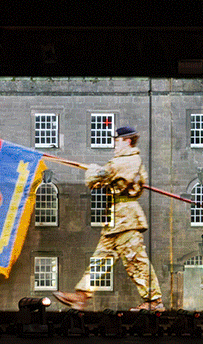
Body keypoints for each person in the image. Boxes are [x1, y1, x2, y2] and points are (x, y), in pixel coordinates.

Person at [55, 126, 164, 312]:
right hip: (116, 219)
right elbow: (101, 180)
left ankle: (154, 301)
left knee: (135, 260)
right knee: (100, 259)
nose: (114, 144)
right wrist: (99, 173)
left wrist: (94, 170)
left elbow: (98, 178)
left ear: (127, 141)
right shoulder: (122, 161)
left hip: (127, 218)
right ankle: (81, 296)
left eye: (117, 140)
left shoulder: (130, 159)